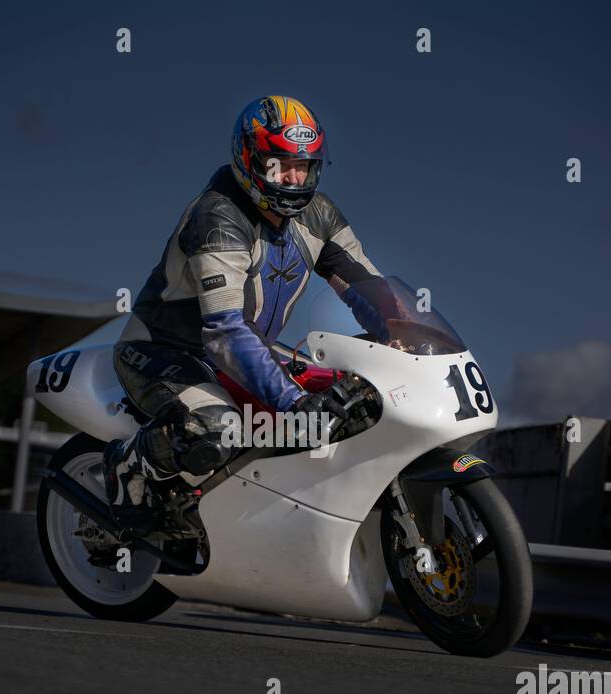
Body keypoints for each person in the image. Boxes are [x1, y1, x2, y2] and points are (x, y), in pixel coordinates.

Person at [103, 95, 394, 530]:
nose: (295, 179)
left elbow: (368, 287)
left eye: (305, 166)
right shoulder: (218, 216)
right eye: (281, 165)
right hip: (168, 352)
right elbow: (223, 332)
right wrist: (295, 404)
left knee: (352, 401)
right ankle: (127, 467)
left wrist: (404, 335)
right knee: (217, 429)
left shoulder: (320, 214)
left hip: (245, 351)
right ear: (250, 160)